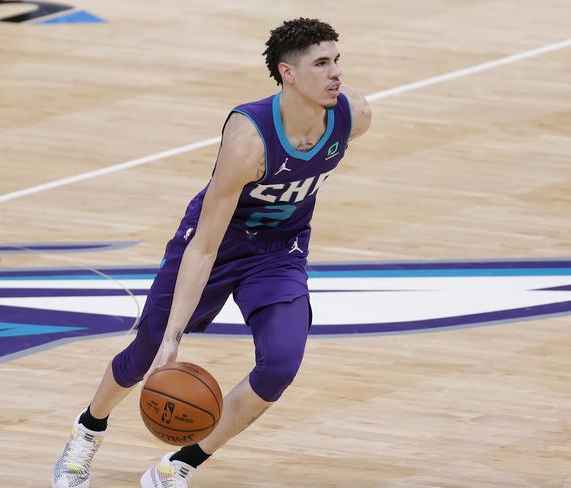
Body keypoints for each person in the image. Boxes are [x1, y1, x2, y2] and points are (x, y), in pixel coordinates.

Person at [52, 17, 371, 488]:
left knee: (281, 363)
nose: (336, 74)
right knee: (147, 352)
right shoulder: (249, 139)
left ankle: (179, 464)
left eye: (336, 61)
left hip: (279, 252)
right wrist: (174, 337)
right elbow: (204, 244)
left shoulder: (353, 116)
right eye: (321, 64)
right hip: (217, 244)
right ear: (288, 73)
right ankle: (88, 429)